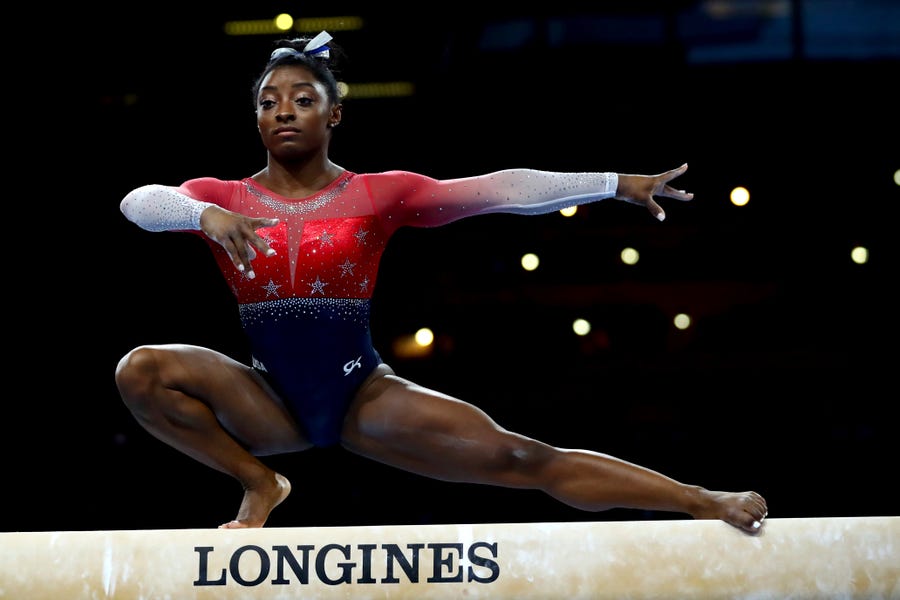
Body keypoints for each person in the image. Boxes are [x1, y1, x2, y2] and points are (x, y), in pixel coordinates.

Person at [115, 31, 768, 533]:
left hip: (362, 397)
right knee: (140, 370)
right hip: (265, 400)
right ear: (255, 119)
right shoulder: (218, 196)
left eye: (303, 100)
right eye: (268, 102)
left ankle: (703, 501)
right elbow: (138, 201)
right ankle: (260, 483)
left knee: (522, 459)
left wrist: (612, 183)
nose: (284, 111)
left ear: (333, 116)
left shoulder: (377, 194)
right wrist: (204, 214)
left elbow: (496, 189)